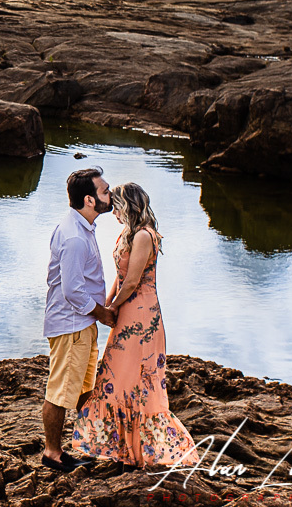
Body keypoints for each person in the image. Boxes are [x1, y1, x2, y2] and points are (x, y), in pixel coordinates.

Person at [71, 183, 199, 470]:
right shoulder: (127, 233)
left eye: (116, 206)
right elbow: (120, 276)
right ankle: (121, 446)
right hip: (127, 310)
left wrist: (113, 308)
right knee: (115, 374)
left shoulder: (143, 236)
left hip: (141, 317)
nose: (113, 211)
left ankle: (142, 450)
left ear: (127, 205)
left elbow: (132, 281)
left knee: (137, 381)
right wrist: (104, 307)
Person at [42, 167, 117, 473]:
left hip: (82, 324)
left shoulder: (81, 225)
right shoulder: (74, 236)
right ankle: (52, 453)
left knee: (84, 387)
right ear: (89, 199)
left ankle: (83, 444)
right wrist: (105, 315)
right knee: (60, 392)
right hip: (72, 324)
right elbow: (73, 290)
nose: (109, 195)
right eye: (104, 191)